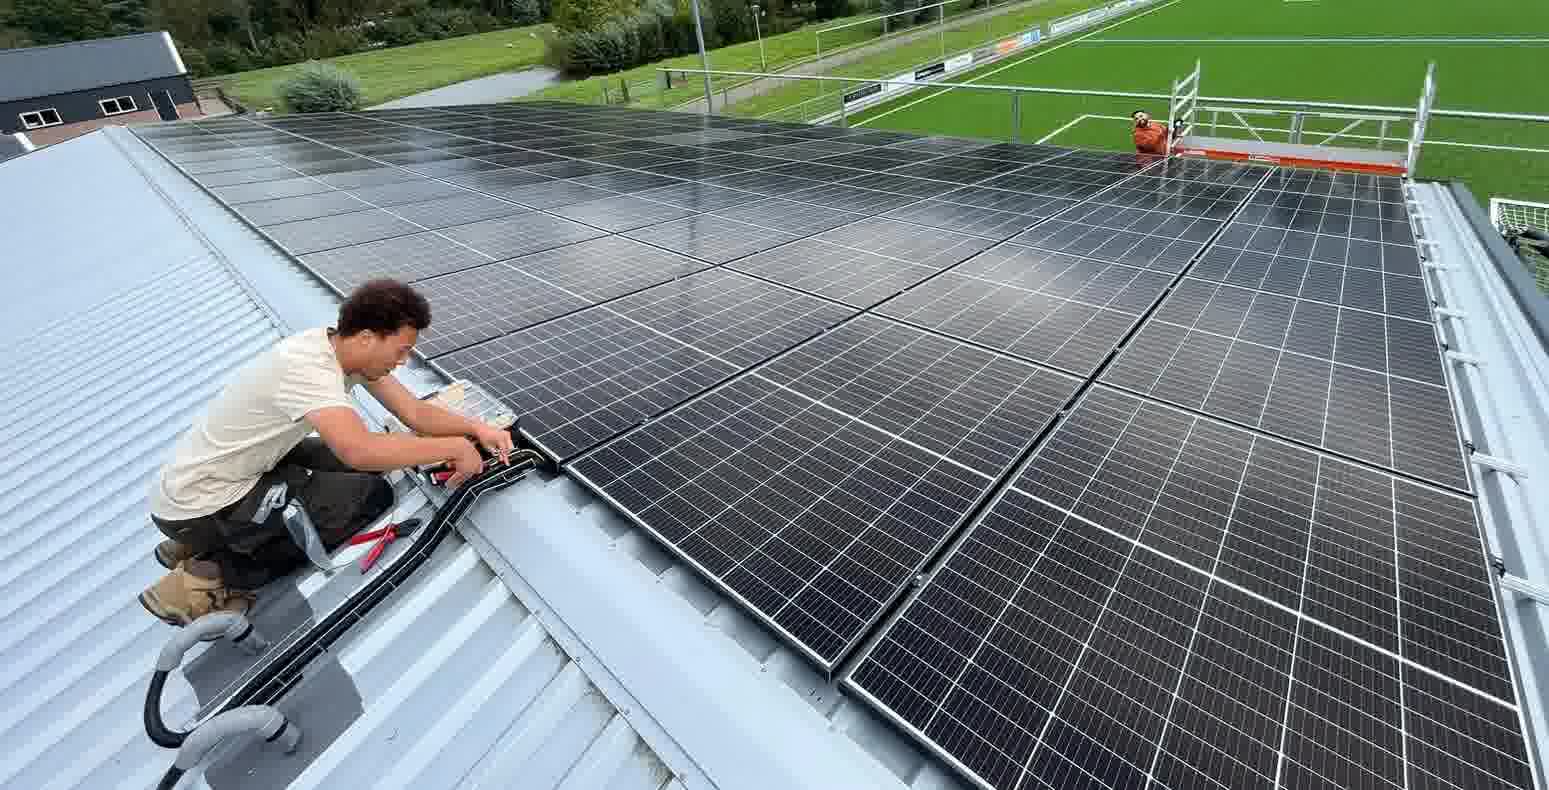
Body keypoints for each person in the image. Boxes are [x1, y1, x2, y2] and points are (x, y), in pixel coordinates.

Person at [139, 279, 514, 626]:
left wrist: (476, 429)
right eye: (401, 350)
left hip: (227, 475)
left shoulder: (338, 349)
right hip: (201, 504)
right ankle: (206, 570)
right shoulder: (309, 370)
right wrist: (453, 448)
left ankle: (209, 539)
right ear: (368, 337)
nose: (402, 361)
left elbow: (413, 412)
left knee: (373, 464)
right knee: (372, 495)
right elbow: (358, 451)